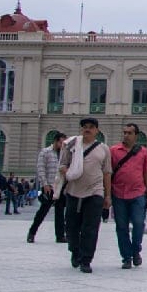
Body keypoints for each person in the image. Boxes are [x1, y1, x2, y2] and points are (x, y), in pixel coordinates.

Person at [58, 117, 112, 273]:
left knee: (91, 228)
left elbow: (107, 173)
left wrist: (107, 196)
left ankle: (86, 260)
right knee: (72, 226)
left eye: (91, 127)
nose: (87, 129)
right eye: (84, 127)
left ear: (97, 130)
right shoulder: (72, 146)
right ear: (81, 129)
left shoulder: (103, 148)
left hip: (95, 192)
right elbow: (62, 165)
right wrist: (68, 172)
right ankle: (75, 251)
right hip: (73, 191)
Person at [109, 123, 147, 269]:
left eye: (129, 133)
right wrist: (107, 195)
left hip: (137, 193)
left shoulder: (143, 152)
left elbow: (146, 174)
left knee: (138, 223)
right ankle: (126, 257)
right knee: (121, 227)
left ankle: (136, 250)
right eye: (124, 132)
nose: (126, 135)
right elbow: (108, 174)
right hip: (118, 194)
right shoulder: (114, 151)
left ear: (136, 135)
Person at [28, 132, 68, 244]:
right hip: (49, 186)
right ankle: (32, 232)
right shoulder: (45, 152)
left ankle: (60, 236)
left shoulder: (64, 154)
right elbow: (40, 168)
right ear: (56, 141)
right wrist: (44, 184)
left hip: (60, 187)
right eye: (61, 142)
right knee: (43, 211)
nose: (63, 145)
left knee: (60, 212)